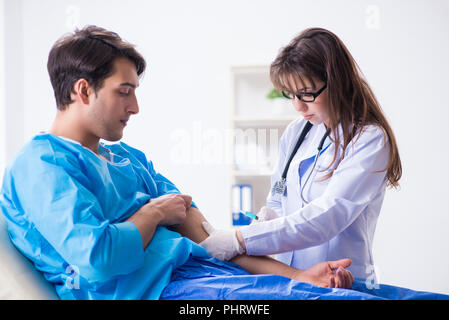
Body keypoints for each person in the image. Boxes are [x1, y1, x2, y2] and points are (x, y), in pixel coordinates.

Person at [0, 25, 354, 300]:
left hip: (205, 276)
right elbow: (100, 258)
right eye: (124, 91)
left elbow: (210, 240)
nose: (135, 107)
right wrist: (153, 214)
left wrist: (300, 278)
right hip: (156, 292)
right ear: (83, 90)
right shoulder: (41, 165)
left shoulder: (127, 159)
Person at [200, 27, 402, 281]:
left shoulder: (369, 139)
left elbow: (327, 216)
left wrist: (239, 240)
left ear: (337, 82)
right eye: (291, 95)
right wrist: (265, 221)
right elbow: (278, 197)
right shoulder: (298, 132)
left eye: (307, 94)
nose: (298, 106)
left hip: (340, 279)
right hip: (289, 279)